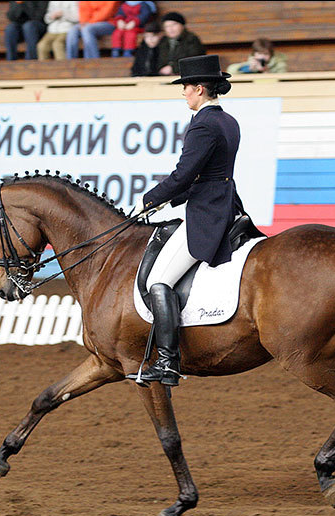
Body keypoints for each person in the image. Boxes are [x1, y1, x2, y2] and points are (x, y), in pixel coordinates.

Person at [129, 55, 257, 386]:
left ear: (199, 88)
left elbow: (184, 174)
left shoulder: (202, 124)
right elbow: (209, 175)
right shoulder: (229, 121)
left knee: (159, 281)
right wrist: (174, 197)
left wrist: (150, 199)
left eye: (186, 86)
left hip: (207, 214)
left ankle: (168, 362)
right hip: (227, 204)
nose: (183, 92)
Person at [156, 11, 205, 76]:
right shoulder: (163, 41)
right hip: (165, 77)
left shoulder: (191, 39)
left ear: (182, 25)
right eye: (167, 26)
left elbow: (194, 60)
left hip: (188, 76)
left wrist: (173, 68)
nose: (170, 29)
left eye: (174, 24)